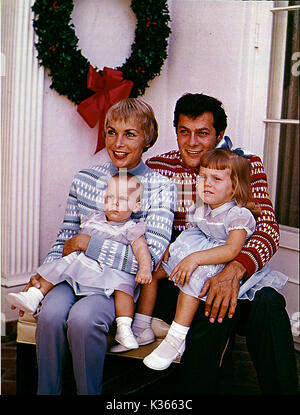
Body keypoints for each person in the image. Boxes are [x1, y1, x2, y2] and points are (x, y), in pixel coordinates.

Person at [112, 93, 299, 394]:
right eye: (184, 131)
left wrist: (234, 272)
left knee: (268, 303)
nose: (192, 142)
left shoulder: (244, 165)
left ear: (220, 135)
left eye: (202, 133)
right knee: (209, 308)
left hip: (233, 265)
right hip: (183, 274)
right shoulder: (160, 167)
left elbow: (267, 231)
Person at [16, 98, 177, 395]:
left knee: (83, 319)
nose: (118, 143)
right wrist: (44, 273)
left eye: (130, 134)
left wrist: (88, 242)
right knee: (50, 314)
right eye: (111, 132)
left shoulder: (161, 187)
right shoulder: (85, 178)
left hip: (117, 287)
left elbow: (147, 259)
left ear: (147, 138)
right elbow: (66, 238)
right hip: (73, 274)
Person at [142, 148, 288, 370]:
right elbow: (193, 230)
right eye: (202, 177)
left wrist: (194, 258)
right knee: (155, 271)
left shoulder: (239, 214)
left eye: (216, 179)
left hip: (219, 259)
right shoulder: (202, 206)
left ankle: (175, 339)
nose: (206, 184)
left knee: (193, 280)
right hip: (198, 248)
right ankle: (140, 325)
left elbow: (231, 250)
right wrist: (172, 248)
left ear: (234, 188)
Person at [7, 172, 153, 349]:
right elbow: (73, 242)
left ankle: (124, 328)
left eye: (122, 198)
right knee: (61, 265)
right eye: (110, 197)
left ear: (136, 206)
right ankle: (34, 295)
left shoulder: (132, 228)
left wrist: (145, 269)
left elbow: (141, 250)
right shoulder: (94, 219)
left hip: (111, 272)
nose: (115, 203)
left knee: (124, 287)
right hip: (86, 266)